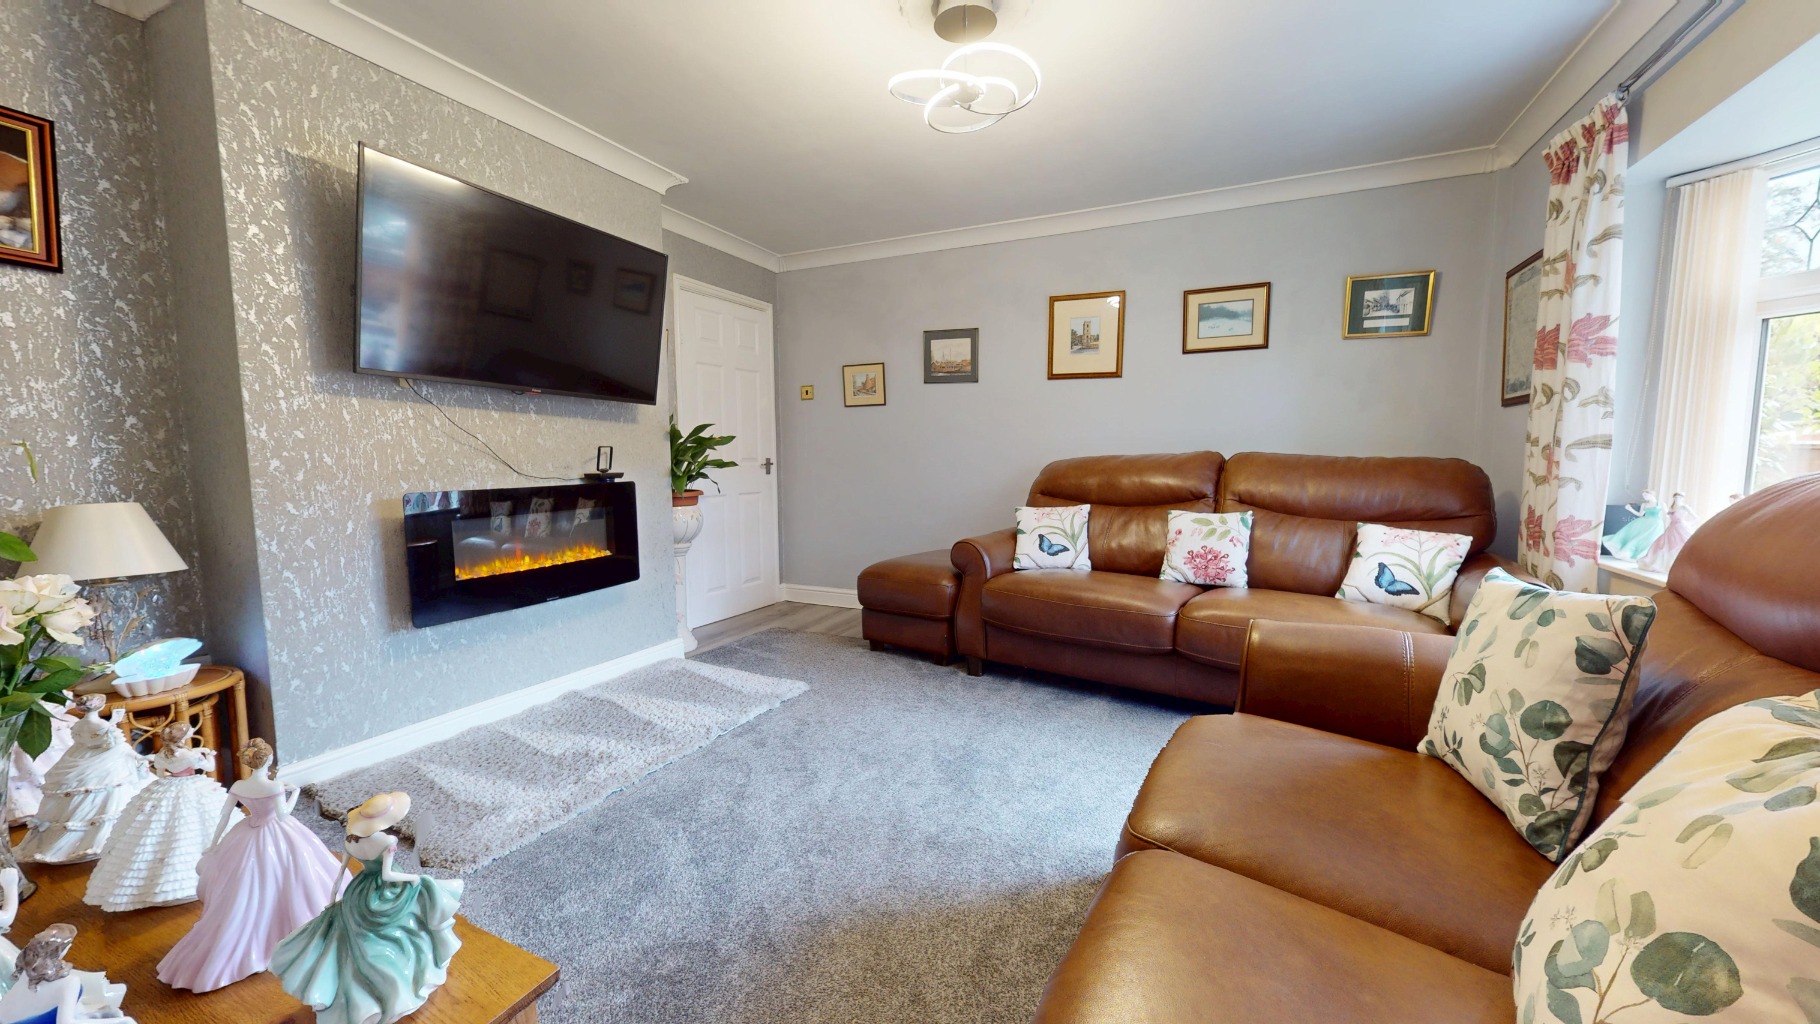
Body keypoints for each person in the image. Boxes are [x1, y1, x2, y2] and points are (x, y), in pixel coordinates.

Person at [157, 740, 346, 993]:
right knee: (295, 874)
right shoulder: (274, 786)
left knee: (249, 886)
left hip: (246, 833)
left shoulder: (239, 785)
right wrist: (294, 793)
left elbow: (224, 816)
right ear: (267, 760)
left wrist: (214, 845)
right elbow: (283, 815)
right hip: (276, 832)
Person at [270, 792, 463, 1024]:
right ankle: (403, 979)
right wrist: (413, 878)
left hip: (359, 891)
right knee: (422, 894)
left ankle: (353, 989)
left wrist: (333, 898)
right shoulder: (386, 841)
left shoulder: (351, 841)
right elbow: (387, 875)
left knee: (354, 934)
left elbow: (341, 873)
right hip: (386, 891)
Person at [82, 723, 231, 912]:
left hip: (169, 785)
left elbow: (161, 774)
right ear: (182, 737)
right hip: (191, 786)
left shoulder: (162, 754)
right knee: (194, 825)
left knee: (161, 829)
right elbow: (209, 767)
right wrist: (209, 755)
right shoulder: (189, 755)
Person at [14, 697, 150, 865]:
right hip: (104, 761)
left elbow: (82, 741)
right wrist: (137, 757)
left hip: (82, 755)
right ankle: (98, 840)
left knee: (87, 796)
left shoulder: (79, 724)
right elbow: (116, 745)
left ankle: (80, 840)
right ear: (99, 706)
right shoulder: (100, 725)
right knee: (109, 795)